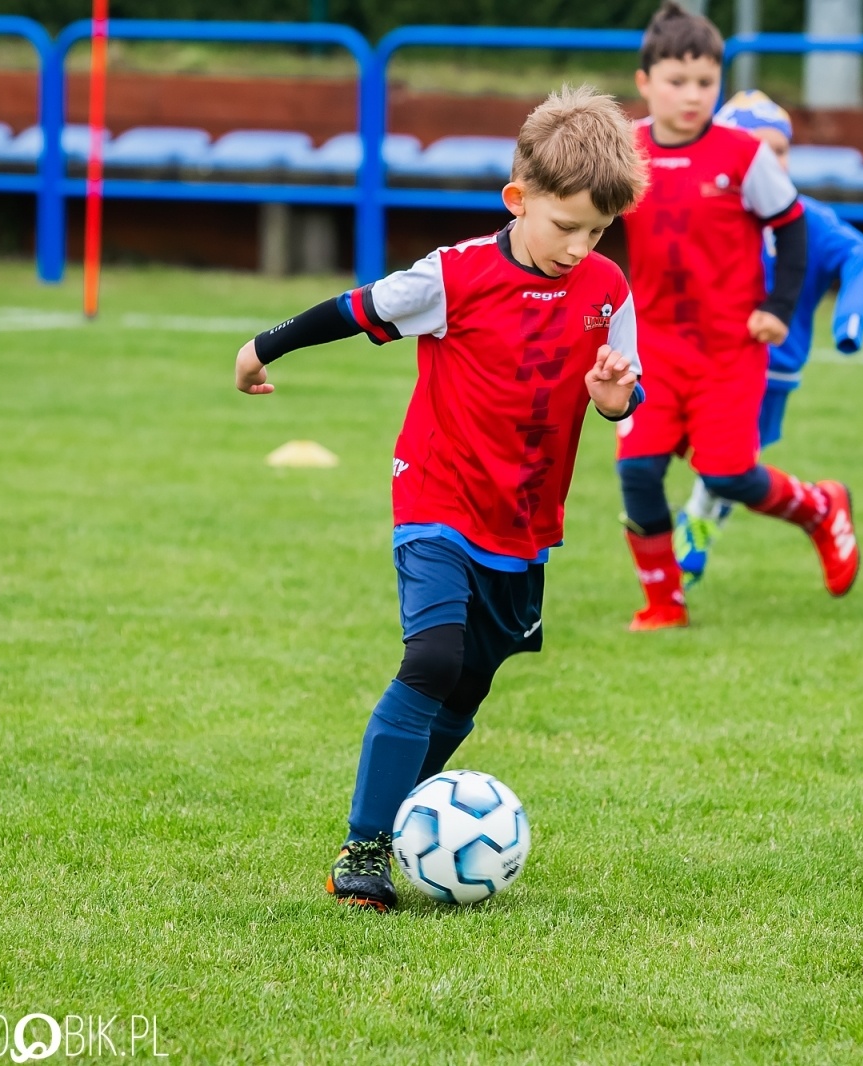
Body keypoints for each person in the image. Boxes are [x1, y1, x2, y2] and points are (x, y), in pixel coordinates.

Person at [232, 86, 649, 910]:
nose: (579, 246)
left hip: (525, 519)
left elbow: (623, 398)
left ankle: (405, 824)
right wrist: (262, 347)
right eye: (565, 225)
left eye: (597, 231)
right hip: (436, 493)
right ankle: (363, 848)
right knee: (431, 657)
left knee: (466, 688)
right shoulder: (455, 277)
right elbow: (356, 310)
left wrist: (611, 397)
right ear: (517, 199)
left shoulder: (607, 291)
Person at [616, 1, 861, 632]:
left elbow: (795, 227)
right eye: (677, 81)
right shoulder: (625, 151)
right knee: (638, 472)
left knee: (726, 475)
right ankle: (662, 603)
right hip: (654, 351)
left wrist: (778, 310)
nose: (691, 95)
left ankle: (819, 507)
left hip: (729, 350)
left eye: (705, 82)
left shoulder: (743, 155)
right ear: (645, 82)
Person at [672, 90, 863, 585]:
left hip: (770, 370)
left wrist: (849, 319)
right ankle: (709, 519)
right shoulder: (705, 213)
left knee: (729, 462)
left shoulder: (804, 218)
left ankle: (697, 524)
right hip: (700, 359)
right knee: (702, 450)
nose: (767, 161)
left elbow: (860, 254)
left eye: (779, 150)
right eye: (752, 148)